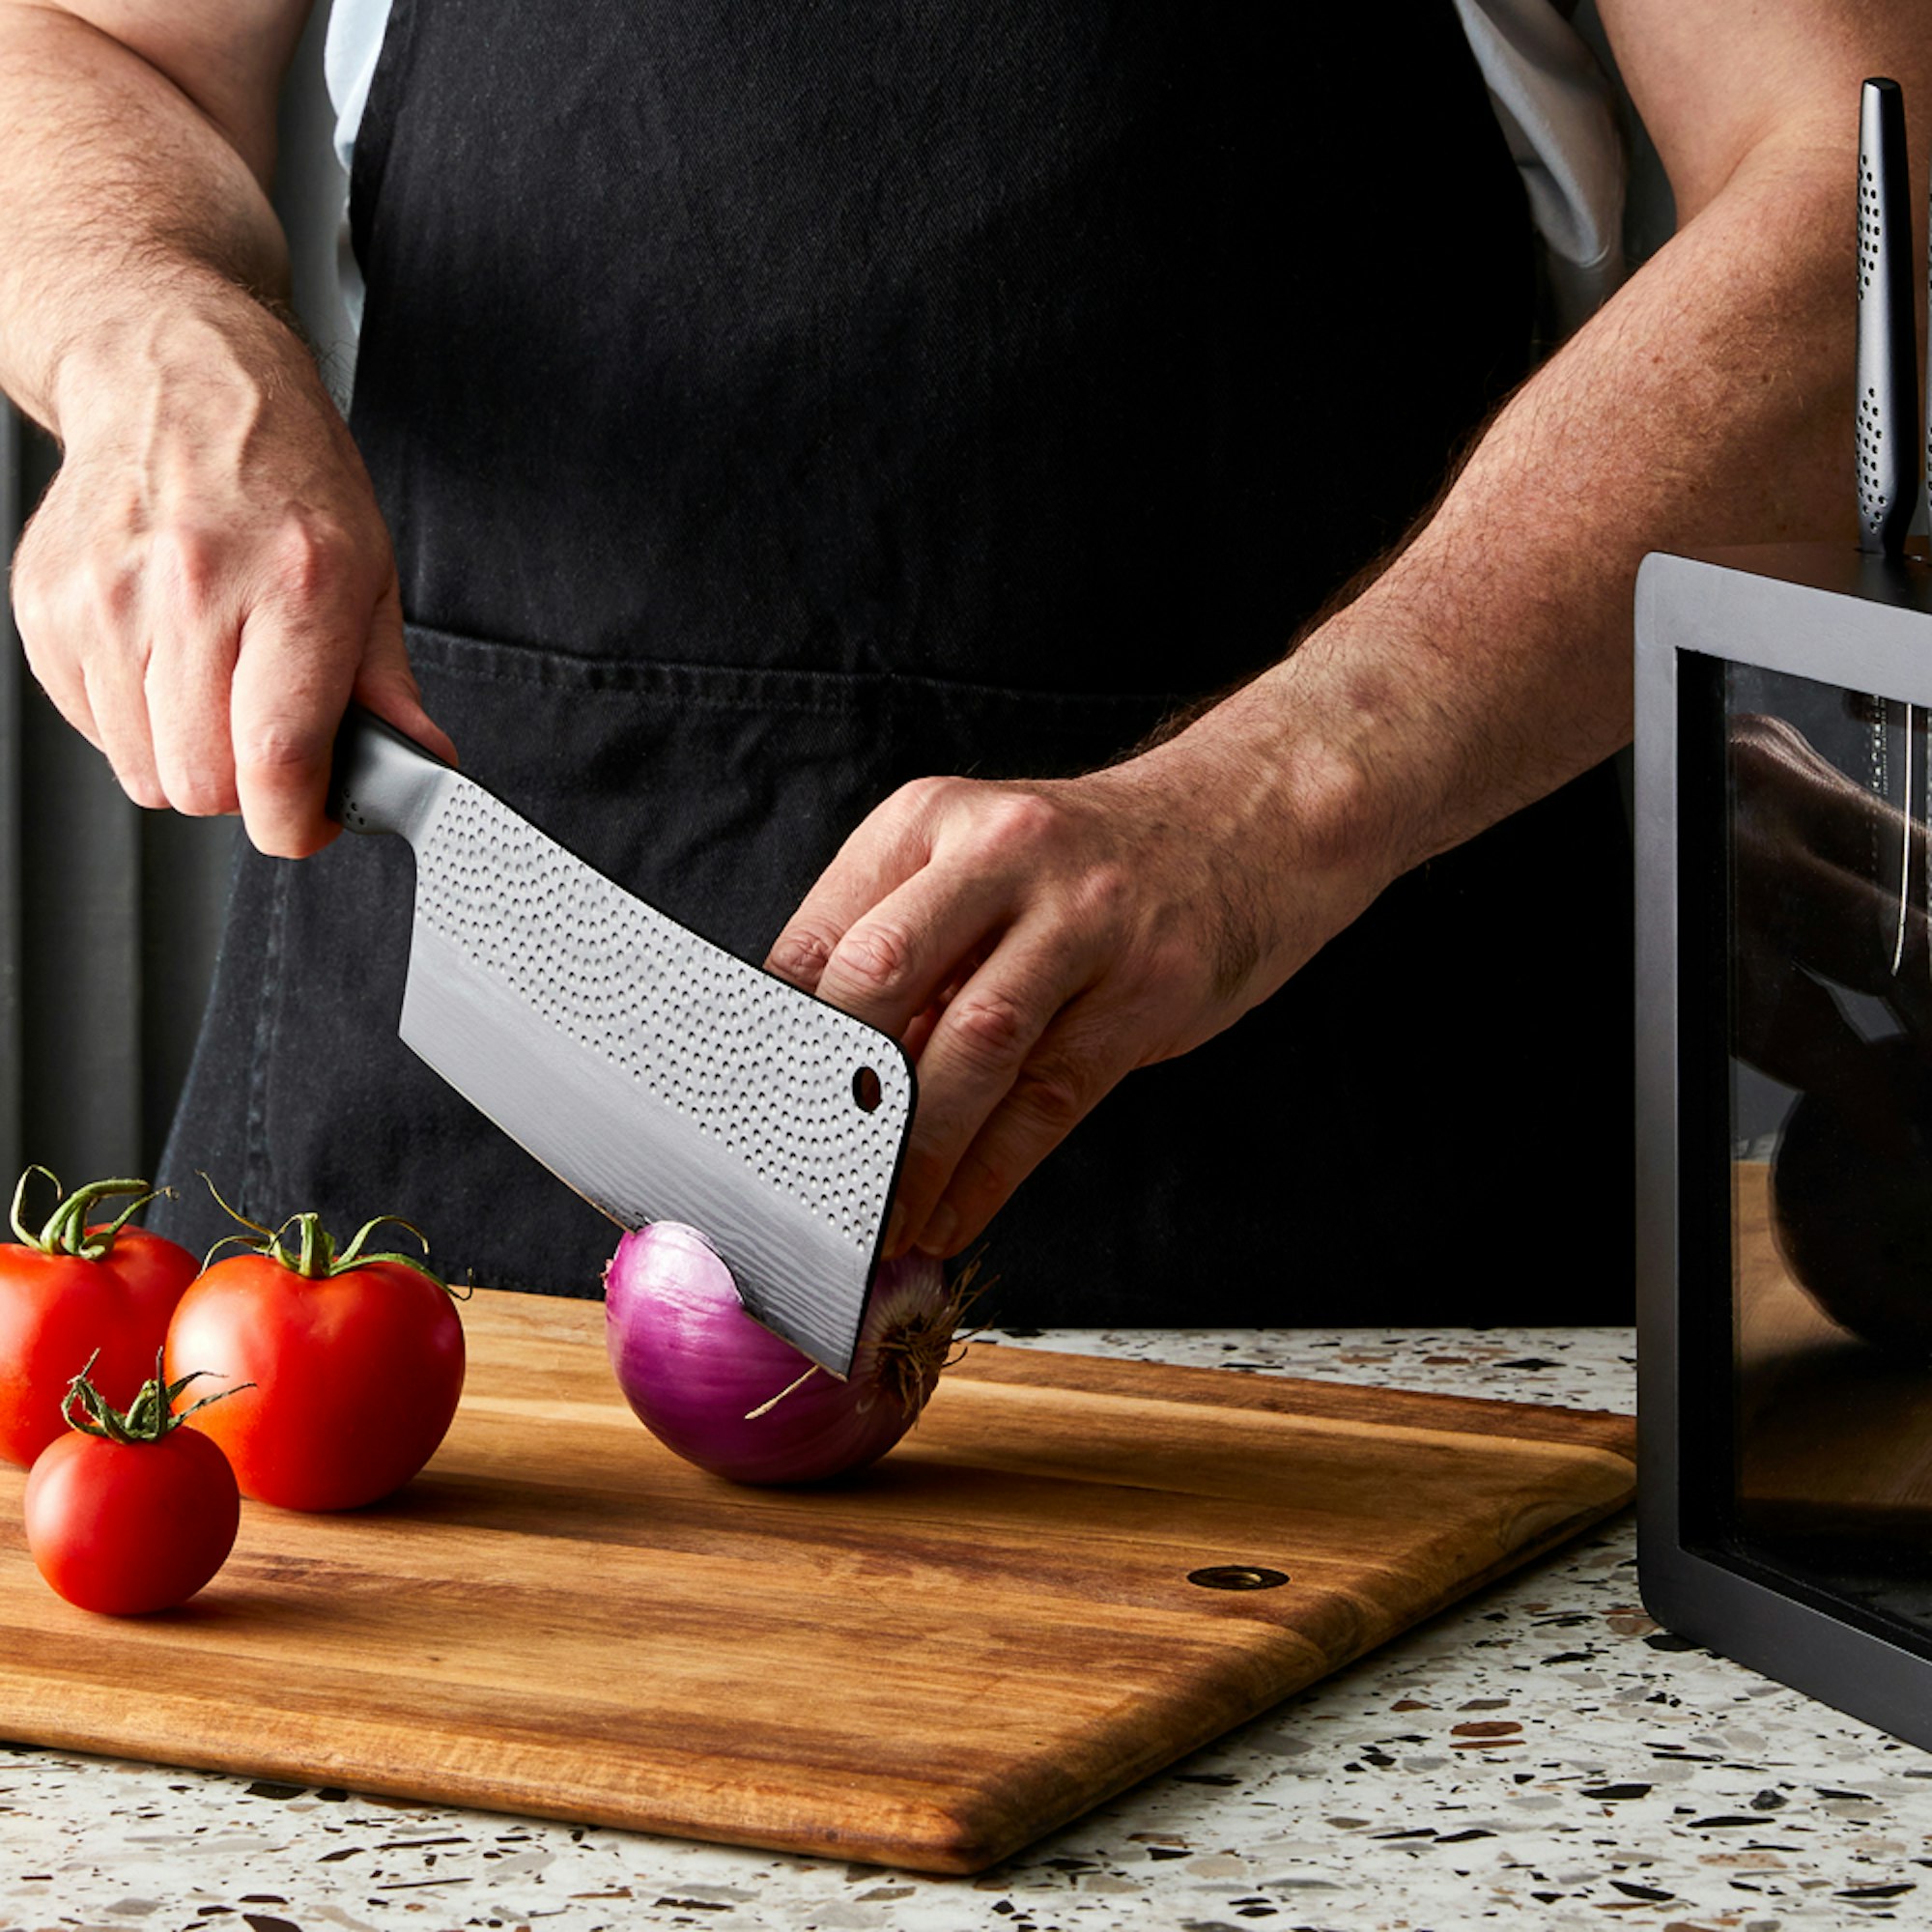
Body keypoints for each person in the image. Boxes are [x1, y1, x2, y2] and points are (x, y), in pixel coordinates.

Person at [2, 1, 1922, 1323]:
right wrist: (144, 333)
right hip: (426, 1256)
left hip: (1342, 1216)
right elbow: (92, 41)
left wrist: (1283, 787)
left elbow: (1867, 206)